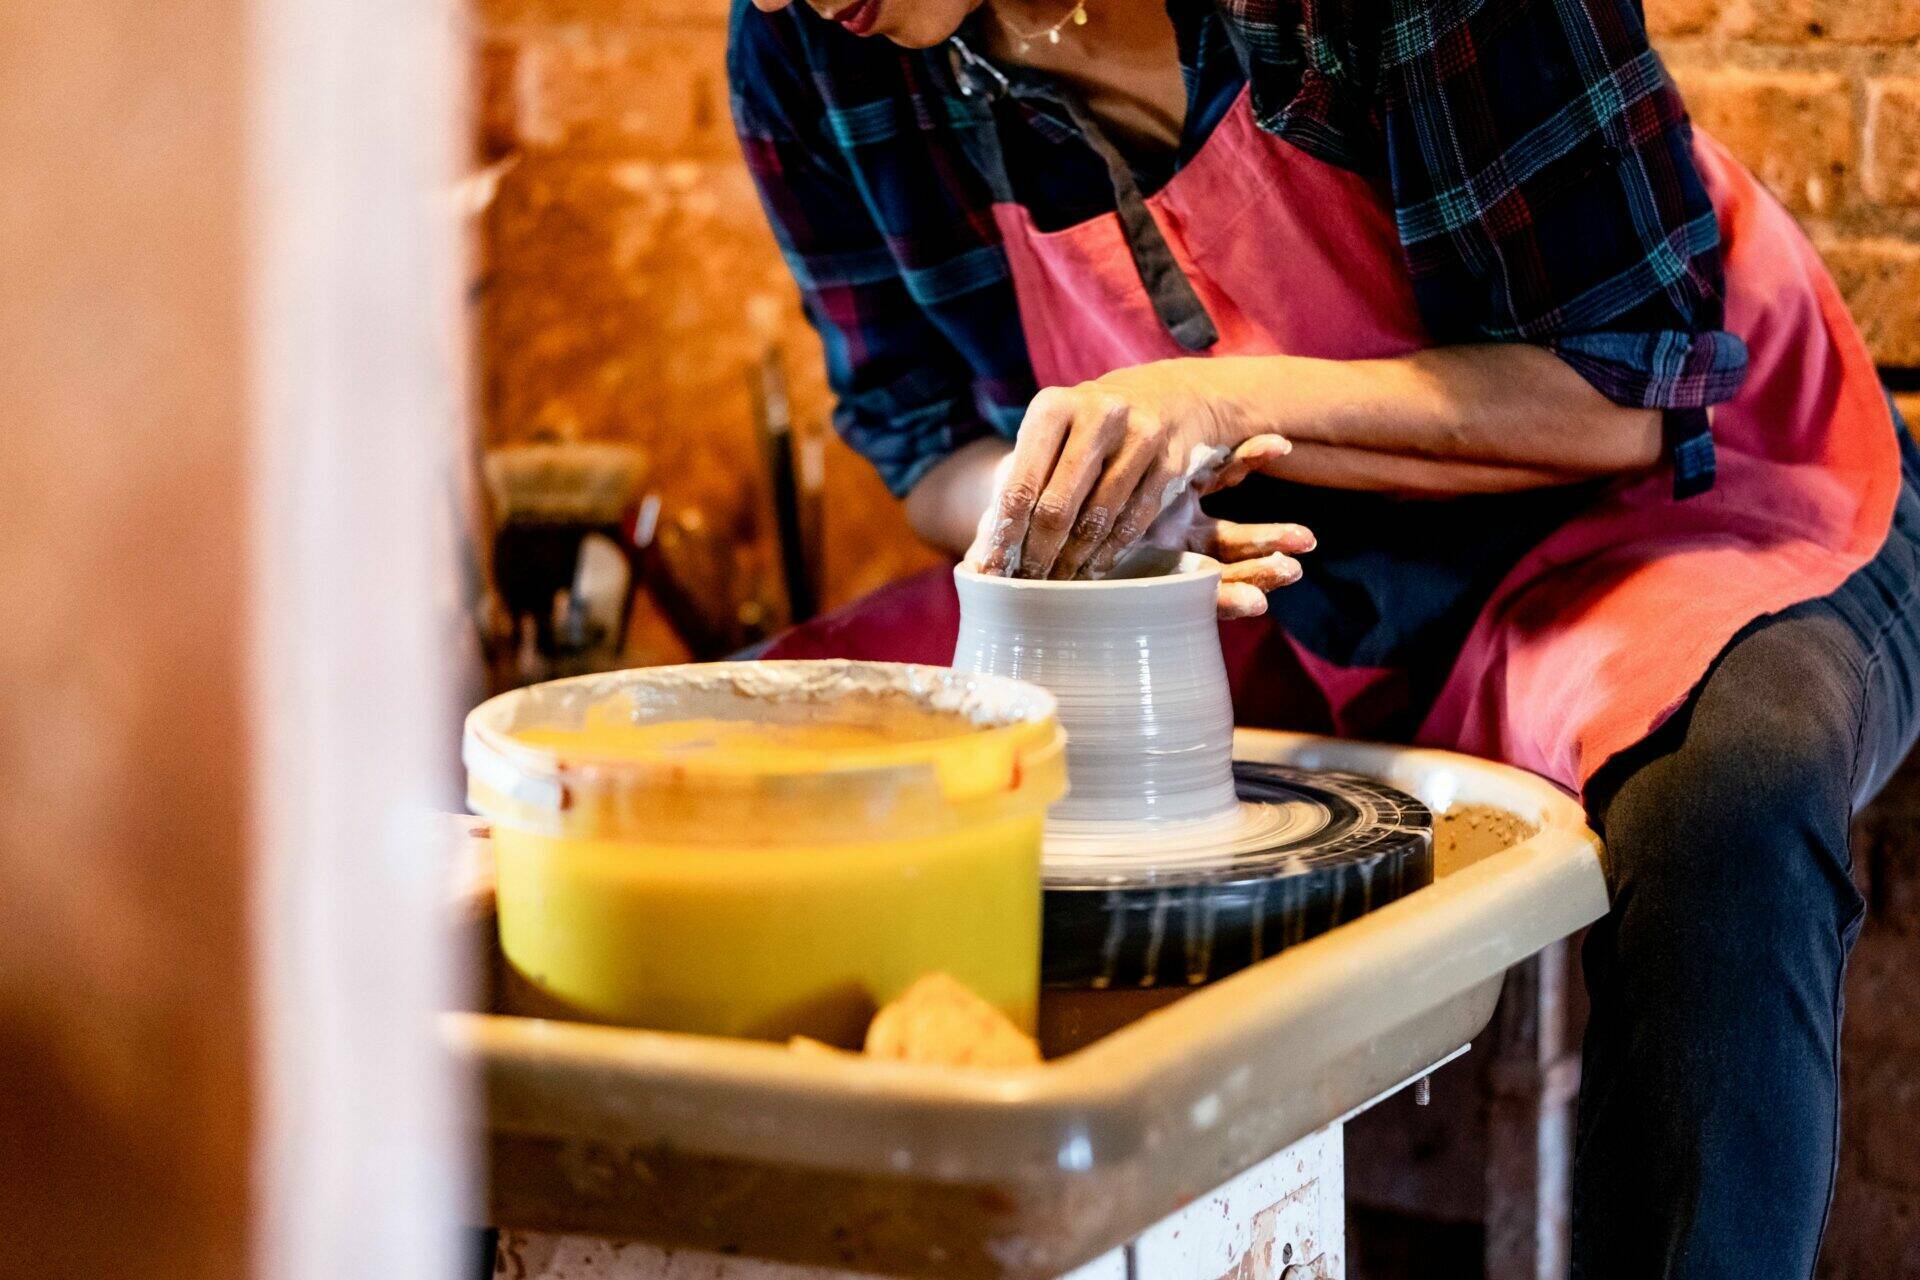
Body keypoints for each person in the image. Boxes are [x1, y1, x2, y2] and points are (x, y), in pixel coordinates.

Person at [727, 0, 1920, 1273]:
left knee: (1727, 791)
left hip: (1662, 498)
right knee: (762, 741)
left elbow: (1624, 387)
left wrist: (1212, 397)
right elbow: (921, 444)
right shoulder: (809, 45)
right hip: (1255, 550)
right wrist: (1093, 501)